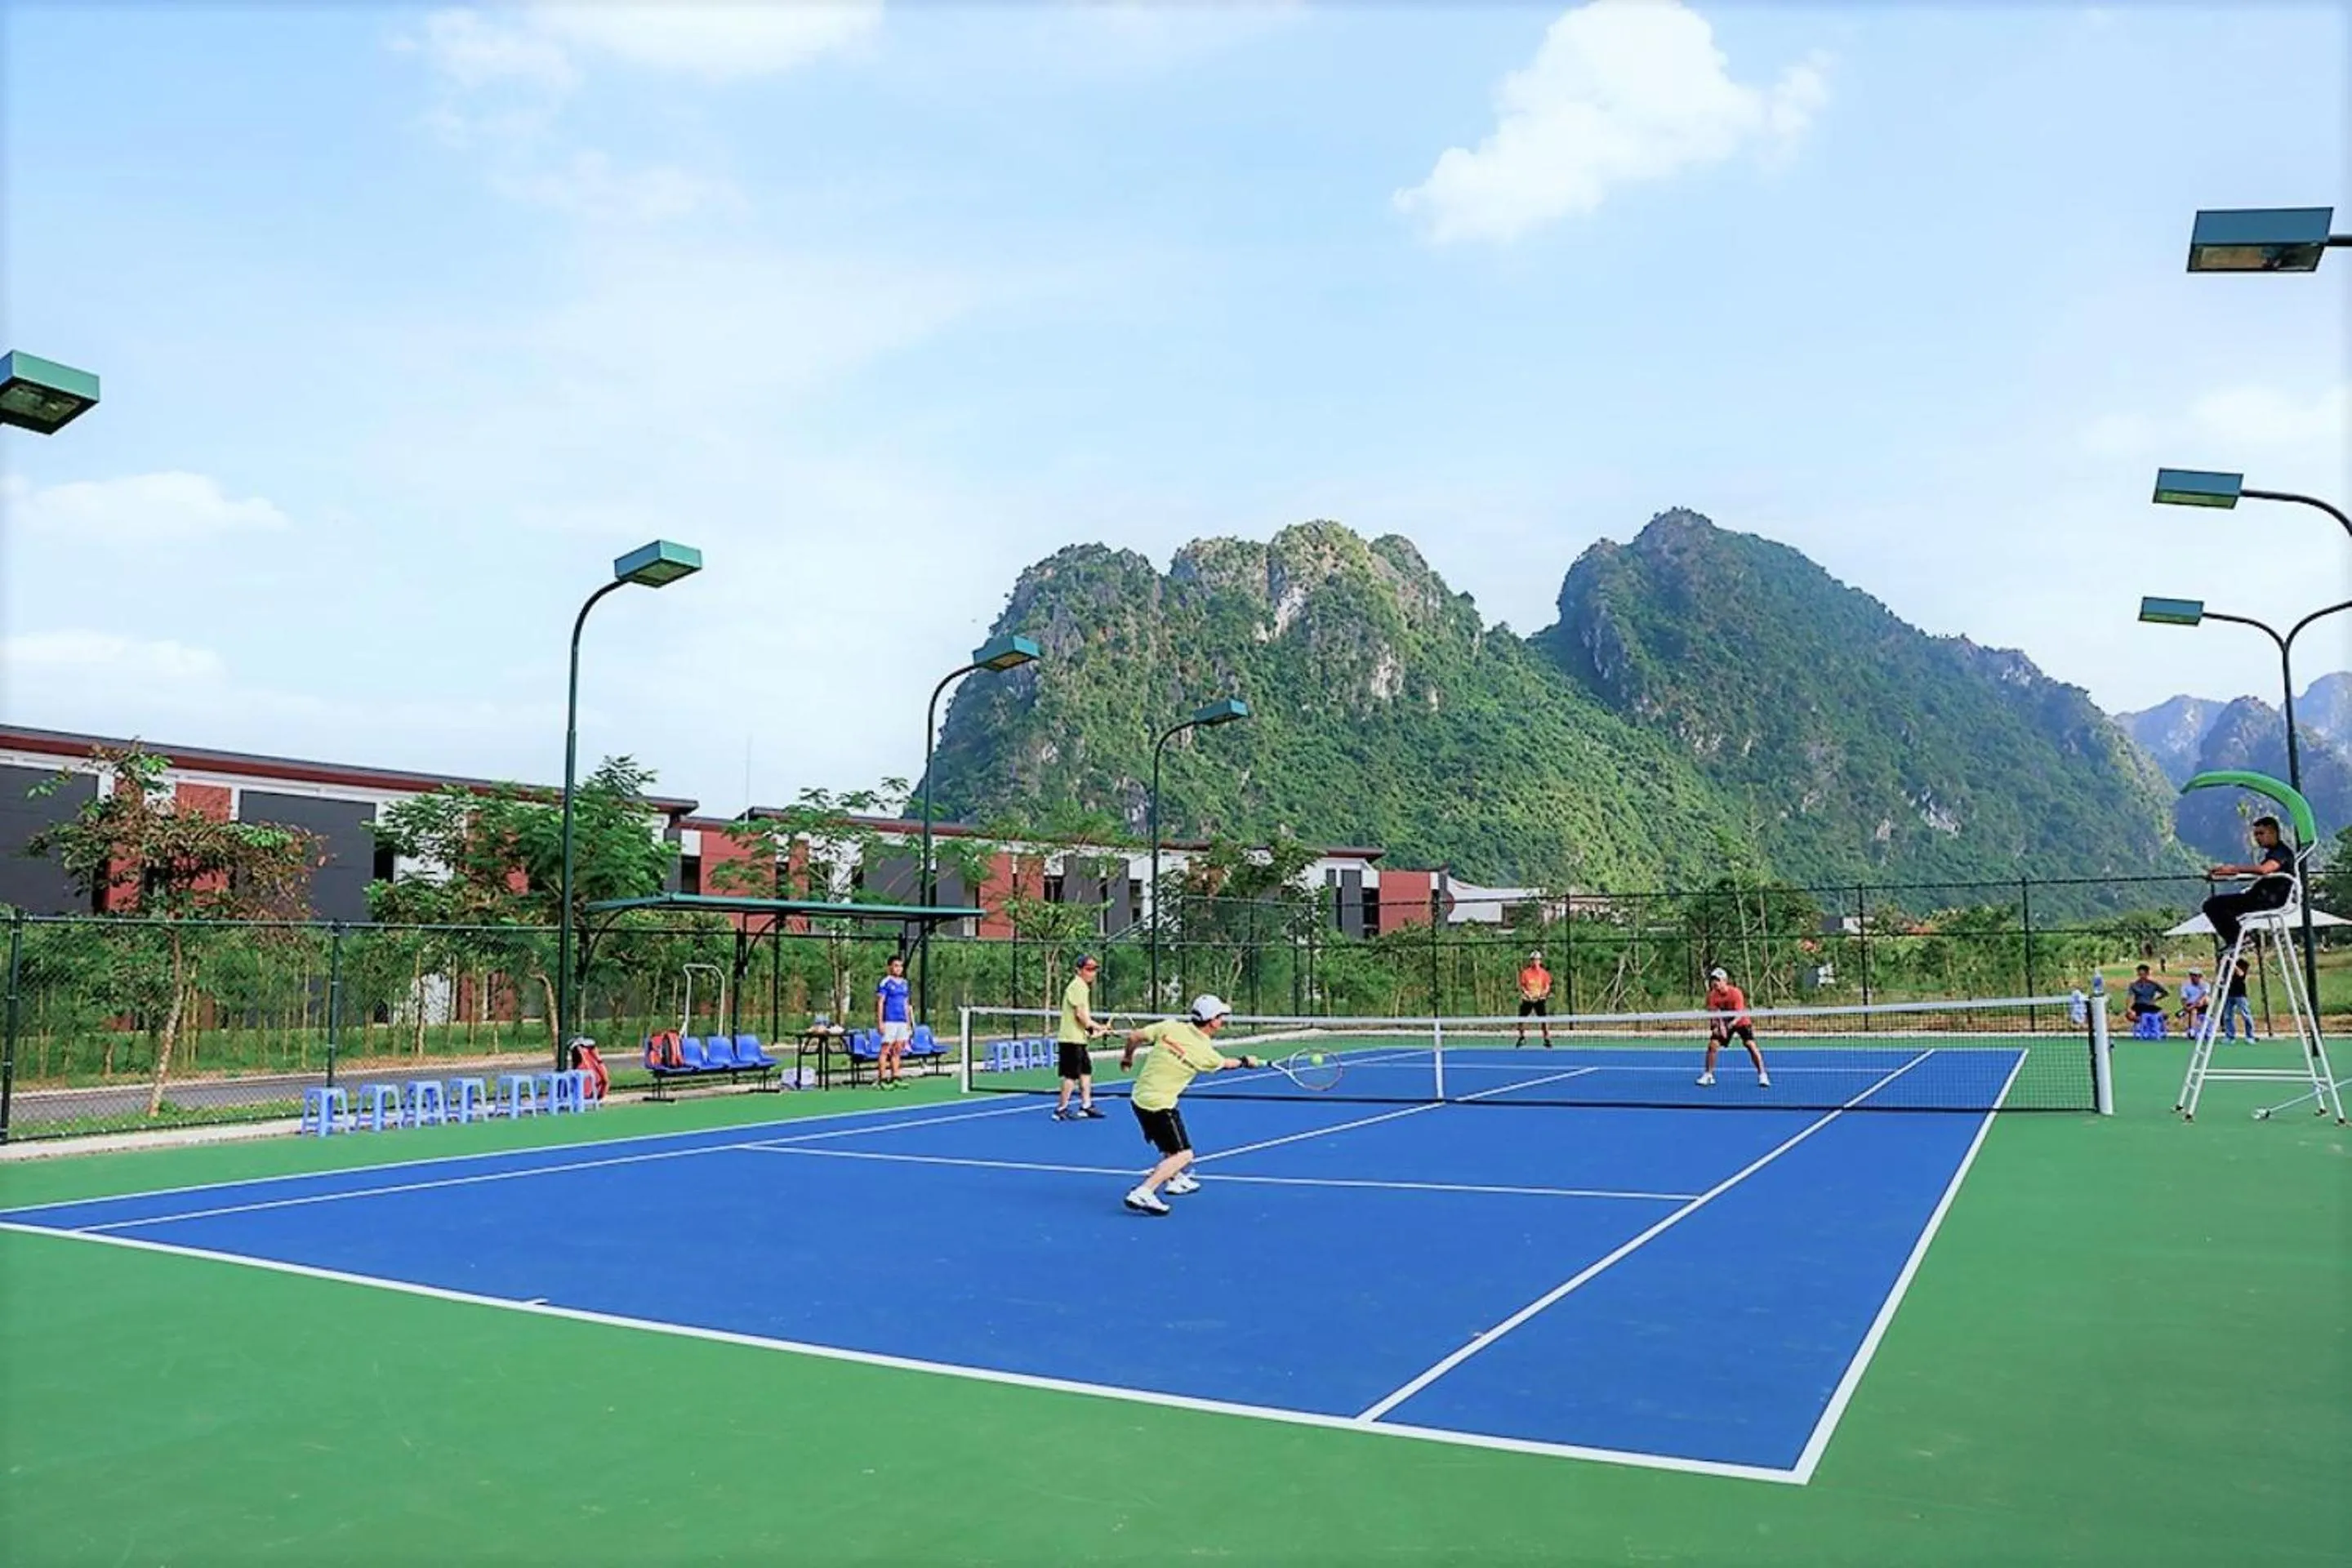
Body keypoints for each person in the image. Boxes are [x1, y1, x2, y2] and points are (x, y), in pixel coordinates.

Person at [1114, 994, 1262, 1215]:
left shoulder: (1170, 1027)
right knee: (1184, 1155)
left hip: (1139, 1098)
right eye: (1221, 1016)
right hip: (1160, 1105)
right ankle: (1144, 1192)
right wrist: (1245, 1061)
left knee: (1168, 1143)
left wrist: (1128, 1058)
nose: (1223, 1020)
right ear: (1212, 1021)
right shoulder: (1206, 1054)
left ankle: (1175, 1179)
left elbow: (1134, 1037)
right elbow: (1226, 1064)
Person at [2201, 816, 2299, 951]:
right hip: (2260, 898)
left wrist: (2233, 869)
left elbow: (2264, 869)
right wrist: (2224, 874)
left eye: (2261, 833)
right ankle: (2236, 942)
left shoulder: (2281, 853)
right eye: (2256, 834)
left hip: (2268, 901)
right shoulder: (2274, 853)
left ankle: (2239, 940)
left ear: (2273, 832)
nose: (2257, 838)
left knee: (2212, 905)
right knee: (2221, 909)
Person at [1054, 954, 1110, 1120]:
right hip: (1070, 1040)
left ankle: (1086, 1106)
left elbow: (1082, 1019)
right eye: (1088, 969)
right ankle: (1061, 1109)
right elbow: (1080, 1015)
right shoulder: (1078, 986)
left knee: (1086, 1071)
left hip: (1078, 1038)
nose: (1092, 973)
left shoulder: (1083, 987)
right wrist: (1096, 1027)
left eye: (1094, 969)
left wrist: (1092, 1030)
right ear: (1079, 970)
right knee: (1071, 1075)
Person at [1697, 966, 1769, 1089]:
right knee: (1713, 1045)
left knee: (1750, 1045)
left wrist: (1729, 1026)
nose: (1715, 983)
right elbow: (1714, 1014)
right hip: (1724, 1022)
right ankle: (1708, 1075)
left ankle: (1762, 1075)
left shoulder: (1736, 993)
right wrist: (1716, 1027)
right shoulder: (1712, 996)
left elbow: (1739, 1014)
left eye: (1718, 980)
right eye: (1713, 980)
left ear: (1725, 981)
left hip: (1741, 1021)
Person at [874, 954, 912, 1089]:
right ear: (889, 967)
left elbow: (906, 1004)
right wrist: (880, 1022)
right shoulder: (885, 982)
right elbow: (880, 1003)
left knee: (898, 1049)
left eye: (900, 966)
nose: (899, 969)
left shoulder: (905, 983)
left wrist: (908, 1023)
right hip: (889, 1020)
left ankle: (896, 1077)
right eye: (896, 966)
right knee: (885, 1049)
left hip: (902, 1021)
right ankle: (882, 1079)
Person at [1514, 949, 1553, 1047]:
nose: (1535, 961)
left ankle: (1546, 1039)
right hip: (1528, 1000)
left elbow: (1547, 986)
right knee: (1521, 1019)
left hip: (1540, 1000)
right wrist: (1528, 994)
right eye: (1533, 959)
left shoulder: (1544, 973)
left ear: (1540, 961)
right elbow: (1522, 986)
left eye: (1537, 959)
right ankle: (1522, 1037)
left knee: (1544, 1020)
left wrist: (1542, 994)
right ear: (1530, 961)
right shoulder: (1525, 973)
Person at [2218, 957, 2258, 1042]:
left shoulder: (2242, 963)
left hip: (2240, 994)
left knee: (2246, 1014)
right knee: (2228, 1016)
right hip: (2229, 993)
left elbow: (2241, 974)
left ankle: (2250, 1036)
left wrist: (2233, 964)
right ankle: (2230, 1036)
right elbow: (2224, 977)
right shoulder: (2227, 964)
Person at [2125, 964, 2168, 1037]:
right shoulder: (2134, 985)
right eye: (2140, 974)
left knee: (2164, 1015)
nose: (2142, 976)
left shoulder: (2153, 984)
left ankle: (2153, 1028)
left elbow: (2165, 993)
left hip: (2149, 1005)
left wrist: (2155, 999)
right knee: (2130, 1015)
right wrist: (2128, 1008)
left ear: (2147, 974)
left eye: (2143, 974)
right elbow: (2130, 996)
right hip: (2139, 1005)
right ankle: (2144, 1027)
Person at [2176, 969, 2209, 1037]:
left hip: (2202, 1003)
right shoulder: (2185, 985)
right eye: (2193, 975)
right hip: (2190, 1004)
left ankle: (2206, 1030)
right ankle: (2192, 1031)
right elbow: (2183, 998)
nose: (2195, 977)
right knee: (2194, 1011)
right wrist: (2185, 1007)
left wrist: (2194, 1005)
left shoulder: (2205, 985)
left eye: (2197, 976)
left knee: (2206, 1000)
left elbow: (2204, 994)